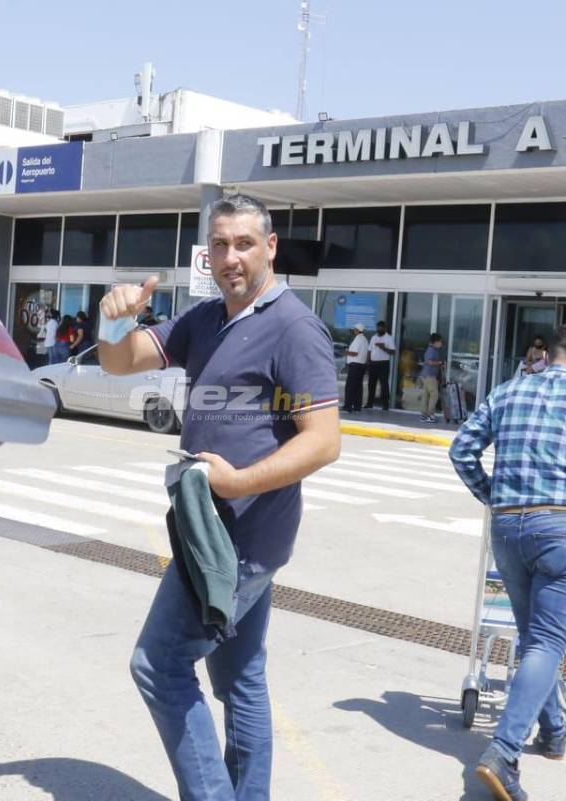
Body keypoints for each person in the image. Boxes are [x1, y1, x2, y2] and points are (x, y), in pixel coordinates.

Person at [97, 193, 341, 801]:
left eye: (244, 244)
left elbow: (324, 442)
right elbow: (119, 362)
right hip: (210, 531)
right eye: (220, 245)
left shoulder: (294, 328)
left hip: (239, 542)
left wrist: (238, 482)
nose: (230, 257)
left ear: (271, 248)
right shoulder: (205, 319)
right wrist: (113, 319)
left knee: (158, 665)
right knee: (242, 679)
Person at [448, 323, 566, 801]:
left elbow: (462, 449)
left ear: (548, 354)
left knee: (534, 638)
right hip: (563, 528)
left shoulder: (508, 391)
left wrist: (492, 494)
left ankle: (553, 729)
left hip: (509, 527)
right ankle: (503, 753)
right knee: (548, 642)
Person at [365, 320, 396, 411]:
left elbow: (393, 352)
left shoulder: (389, 338)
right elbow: (369, 350)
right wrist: (368, 362)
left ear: (385, 328)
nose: (379, 329)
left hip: (383, 364)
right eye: (378, 327)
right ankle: (369, 403)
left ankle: (385, 405)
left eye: (381, 327)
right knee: (371, 384)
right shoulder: (374, 337)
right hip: (373, 364)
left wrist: (383, 347)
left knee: (384, 384)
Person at [343, 323, 369, 412]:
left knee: (350, 386)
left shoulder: (358, 339)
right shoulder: (364, 339)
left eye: (354, 329)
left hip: (355, 366)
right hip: (361, 366)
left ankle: (348, 406)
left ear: (357, 330)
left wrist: (347, 352)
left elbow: (355, 353)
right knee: (358, 387)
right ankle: (357, 406)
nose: (353, 331)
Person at [419, 333, 445, 423]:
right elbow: (429, 362)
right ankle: (430, 415)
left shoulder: (431, 349)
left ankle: (424, 415)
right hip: (430, 376)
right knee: (434, 395)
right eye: (440, 342)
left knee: (426, 395)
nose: (441, 344)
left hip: (425, 375)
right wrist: (440, 363)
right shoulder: (431, 350)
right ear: (436, 342)